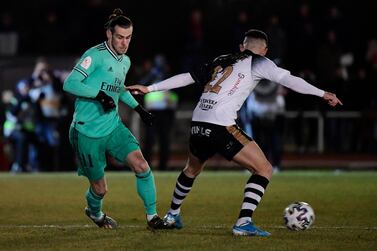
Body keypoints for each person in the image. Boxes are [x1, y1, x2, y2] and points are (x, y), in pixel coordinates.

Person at [127, 29, 343, 236]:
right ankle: (244, 223)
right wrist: (322, 93)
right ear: (265, 51)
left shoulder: (221, 59)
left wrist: (150, 88)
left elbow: (188, 77)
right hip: (220, 125)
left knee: (191, 169)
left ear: (242, 46)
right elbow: (289, 80)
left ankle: (172, 215)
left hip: (198, 122)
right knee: (264, 169)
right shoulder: (260, 62)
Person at [63, 8, 172, 230]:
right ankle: (95, 213)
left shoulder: (125, 61)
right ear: (109, 35)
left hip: (113, 126)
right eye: (120, 37)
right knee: (100, 189)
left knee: (142, 165)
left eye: (128, 37)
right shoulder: (94, 56)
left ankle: (153, 218)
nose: (124, 43)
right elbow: (69, 84)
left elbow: (119, 89)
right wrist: (98, 95)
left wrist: (139, 109)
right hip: (87, 131)